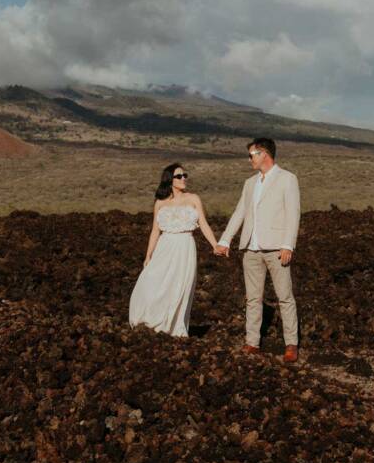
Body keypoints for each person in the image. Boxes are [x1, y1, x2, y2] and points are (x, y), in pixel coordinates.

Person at [215, 138, 301, 363]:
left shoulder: (287, 179)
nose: (249, 158)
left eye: (252, 154)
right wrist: (225, 240)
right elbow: (239, 212)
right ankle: (252, 342)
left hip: (276, 249)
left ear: (264, 153)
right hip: (250, 249)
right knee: (253, 298)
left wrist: (287, 244)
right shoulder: (249, 183)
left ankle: (291, 344)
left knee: (285, 297)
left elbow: (293, 214)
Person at [129, 163, 220, 337]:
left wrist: (215, 245)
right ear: (170, 180)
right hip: (164, 246)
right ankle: (149, 320)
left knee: (179, 286)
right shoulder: (160, 203)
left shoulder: (194, 199)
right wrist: (148, 256)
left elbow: (204, 224)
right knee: (151, 282)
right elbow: (155, 231)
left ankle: (172, 326)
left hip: (184, 247)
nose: (183, 179)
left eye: (185, 175)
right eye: (179, 176)